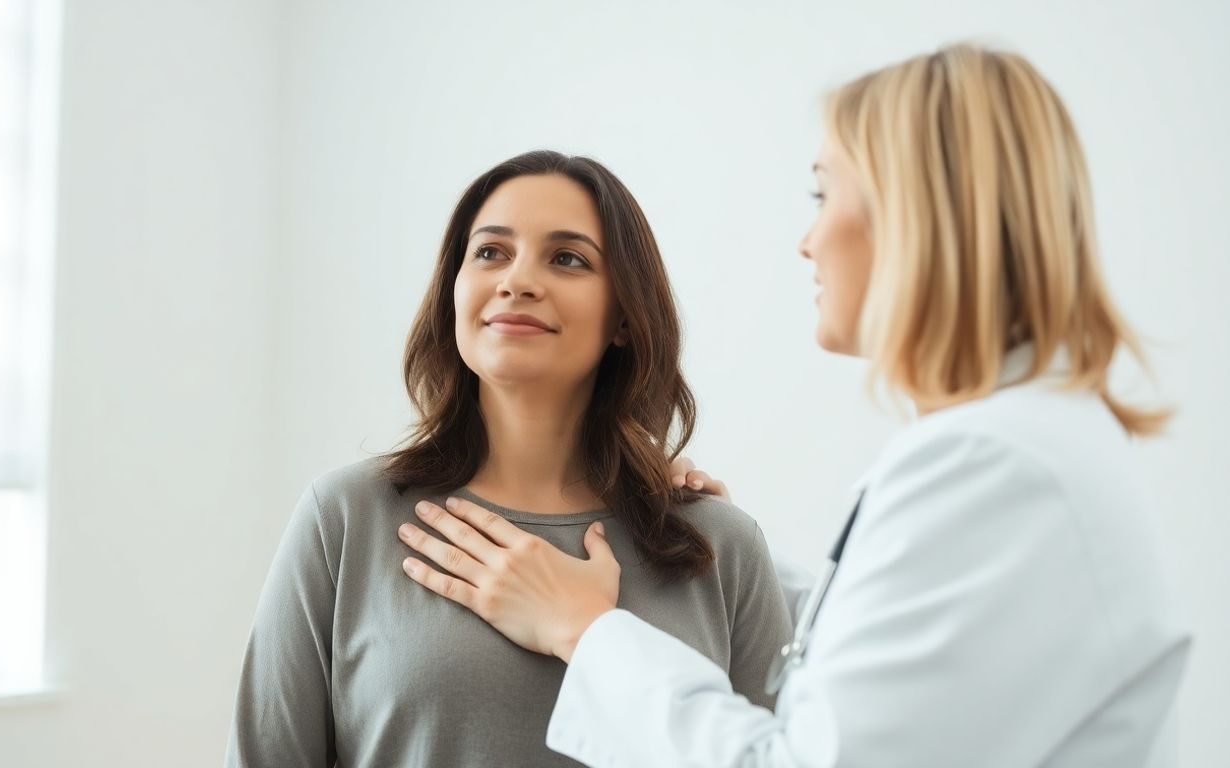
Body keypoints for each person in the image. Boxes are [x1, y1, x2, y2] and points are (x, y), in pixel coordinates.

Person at [398, 45, 1191, 767]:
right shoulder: (1017, 447)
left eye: (823, 193)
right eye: (491, 251)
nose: (807, 240)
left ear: (911, 210)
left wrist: (586, 630)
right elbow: (909, 680)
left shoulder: (989, 464)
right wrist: (727, 557)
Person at [225, 150, 794, 767]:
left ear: (625, 318)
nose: (517, 280)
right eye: (491, 252)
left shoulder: (721, 548)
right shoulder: (344, 519)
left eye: (568, 258)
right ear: (454, 290)